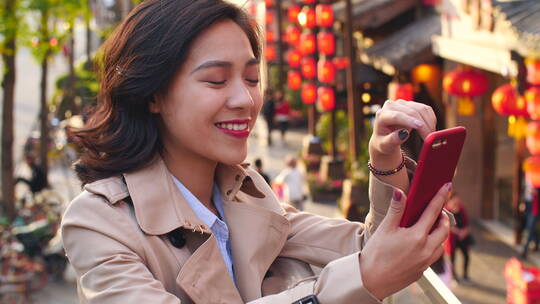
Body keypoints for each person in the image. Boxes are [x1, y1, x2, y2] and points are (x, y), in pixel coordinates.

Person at [61, 1, 450, 303]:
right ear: (153, 94)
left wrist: (385, 163)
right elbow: (368, 268)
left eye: (251, 78)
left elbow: (369, 250)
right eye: (215, 80)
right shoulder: (100, 222)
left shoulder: (246, 192)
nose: (245, 99)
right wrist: (366, 277)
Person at [446, 192, 472, 284]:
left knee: (466, 256)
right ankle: (454, 276)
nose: (457, 201)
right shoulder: (447, 210)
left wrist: (464, 231)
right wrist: (458, 232)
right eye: (455, 199)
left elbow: (467, 222)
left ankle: (465, 275)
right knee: (452, 258)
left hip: (463, 237)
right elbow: (447, 225)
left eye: (458, 199)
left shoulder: (461, 208)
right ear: (450, 199)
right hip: (453, 239)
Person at [521, 181, 539, 259]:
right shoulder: (528, 179)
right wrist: (523, 203)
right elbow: (525, 193)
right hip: (528, 205)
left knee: (530, 228)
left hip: (535, 207)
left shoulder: (537, 180)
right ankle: (537, 242)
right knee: (529, 227)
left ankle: (525, 250)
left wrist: (536, 191)